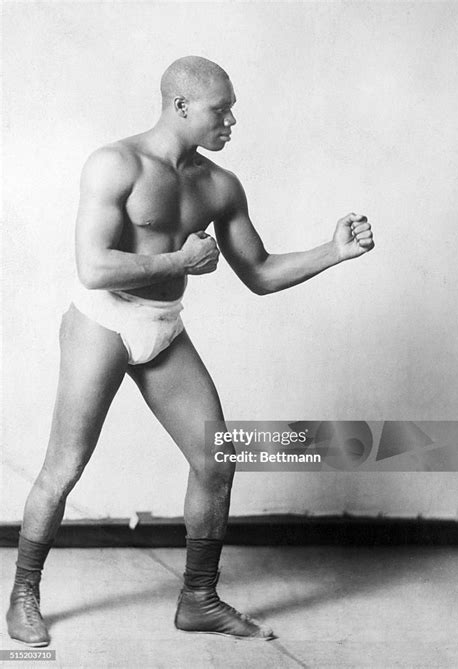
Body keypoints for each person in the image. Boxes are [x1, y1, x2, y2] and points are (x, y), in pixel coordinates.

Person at [6, 56, 374, 647]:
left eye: (232, 109)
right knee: (65, 467)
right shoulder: (115, 164)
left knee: (216, 460)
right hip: (102, 320)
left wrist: (332, 252)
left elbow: (258, 272)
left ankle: (199, 599)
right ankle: (23, 592)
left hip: (162, 325)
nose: (232, 120)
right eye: (220, 109)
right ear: (180, 107)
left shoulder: (219, 185)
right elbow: (93, 266)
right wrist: (180, 261)